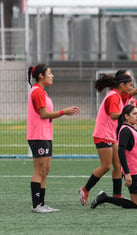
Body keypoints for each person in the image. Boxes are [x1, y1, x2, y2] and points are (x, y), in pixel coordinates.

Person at [79, 67, 137, 206]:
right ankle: (85, 189)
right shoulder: (113, 96)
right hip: (102, 135)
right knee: (106, 166)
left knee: (118, 166)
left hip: (112, 135)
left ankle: (117, 194)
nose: (132, 87)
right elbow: (113, 115)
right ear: (122, 84)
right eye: (130, 84)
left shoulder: (122, 95)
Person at [27, 64, 80, 213]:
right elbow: (43, 114)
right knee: (39, 170)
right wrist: (64, 112)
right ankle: (36, 205)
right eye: (49, 73)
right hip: (38, 136)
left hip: (45, 135)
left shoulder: (42, 92)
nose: (52, 75)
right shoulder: (37, 91)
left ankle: (42, 203)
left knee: (45, 170)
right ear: (41, 76)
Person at [90, 104, 137, 209]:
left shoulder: (132, 128)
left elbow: (135, 146)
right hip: (134, 170)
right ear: (126, 116)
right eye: (134, 114)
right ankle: (104, 198)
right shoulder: (125, 130)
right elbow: (121, 152)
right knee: (136, 205)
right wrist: (127, 173)